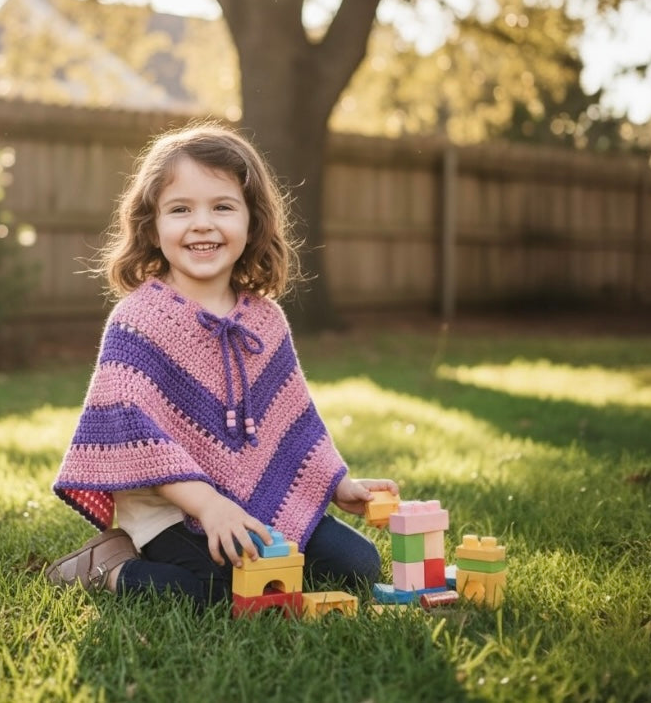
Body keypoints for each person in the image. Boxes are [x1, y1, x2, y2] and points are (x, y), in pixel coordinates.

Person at [45, 121, 398, 608]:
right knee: (221, 593)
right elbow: (133, 436)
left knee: (357, 565)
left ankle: (254, 537)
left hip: (260, 500)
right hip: (168, 511)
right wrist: (210, 506)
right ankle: (110, 566)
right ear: (152, 225)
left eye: (223, 207)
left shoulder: (264, 321)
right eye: (181, 209)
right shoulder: (137, 321)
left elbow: (292, 423)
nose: (202, 224)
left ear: (252, 222)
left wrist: (339, 486)